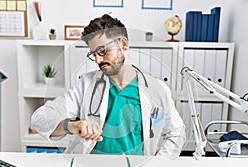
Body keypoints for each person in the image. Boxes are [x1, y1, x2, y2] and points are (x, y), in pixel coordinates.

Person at [31, 14, 186, 156]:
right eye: (94, 54)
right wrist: (71, 126)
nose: (98, 60)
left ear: (123, 44)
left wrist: (159, 163)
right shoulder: (86, 85)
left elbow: (177, 131)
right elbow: (40, 118)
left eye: (103, 51)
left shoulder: (157, 89)